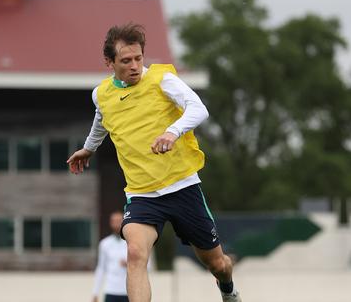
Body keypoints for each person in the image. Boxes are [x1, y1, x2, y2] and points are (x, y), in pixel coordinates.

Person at [68, 23, 241, 302]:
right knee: (136, 253)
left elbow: (199, 108)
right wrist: (88, 148)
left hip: (182, 186)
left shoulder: (162, 79)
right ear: (109, 62)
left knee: (217, 264)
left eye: (138, 58)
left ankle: (228, 287)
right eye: (126, 61)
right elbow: (102, 119)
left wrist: (173, 131)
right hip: (142, 194)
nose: (135, 65)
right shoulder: (101, 94)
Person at [92, 210, 143, 302]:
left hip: (129, 291)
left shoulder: (133, 242)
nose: (116, 224)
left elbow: (146, 266)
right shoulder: (104, 244)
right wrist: (95, 293)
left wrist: (130, 263)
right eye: (114, 221)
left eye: (119, 220)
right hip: (111, 290)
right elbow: (101, 268)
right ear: (110, 223)